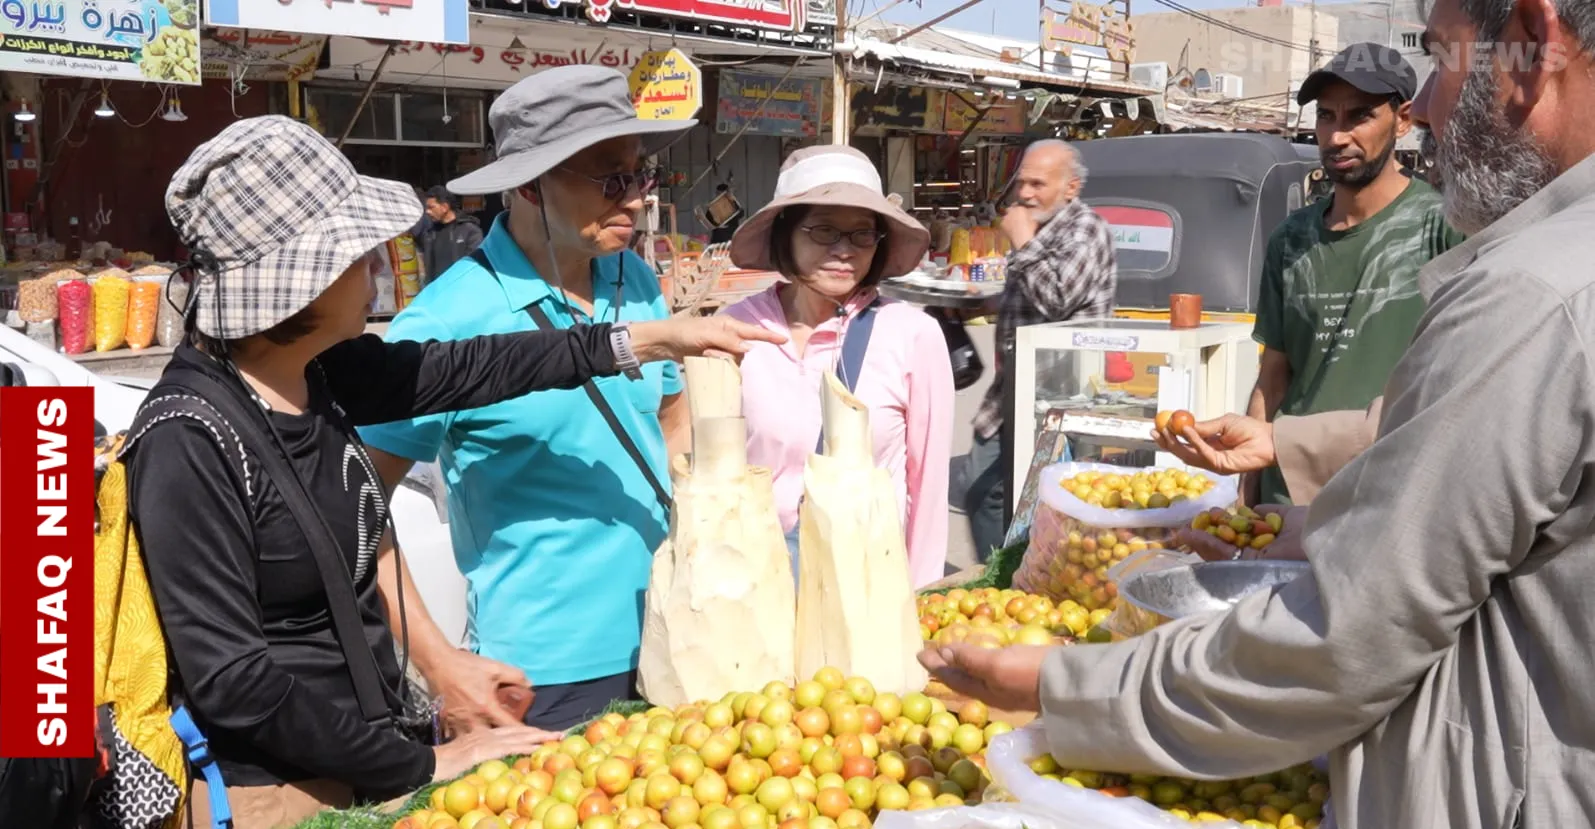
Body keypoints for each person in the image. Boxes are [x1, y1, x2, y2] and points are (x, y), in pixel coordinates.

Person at [921, 0, 1595, 821]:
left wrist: (1063, 687)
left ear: (1532, 46)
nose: (1427, 107)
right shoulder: (1309, 240)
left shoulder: (1529, 290)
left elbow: (1347, 635)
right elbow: (1500, 490)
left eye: (1441, 60)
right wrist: (1311, 502)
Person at [126, 116, 778, 829]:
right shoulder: (189, 435)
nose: (379, 262)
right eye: (355, 251)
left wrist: (645, 338)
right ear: (299, 282)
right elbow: (236, 682)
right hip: (282, 795)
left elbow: (473, 366)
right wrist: (421, 765)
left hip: (363, 762)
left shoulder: (323, 373)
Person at [358, 65, 711, 734]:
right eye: (611, 179)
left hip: (678, 631)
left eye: (639, 176)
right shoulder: (446, 322)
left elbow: (671, 416)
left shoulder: (632, 277)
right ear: (526, 182)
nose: (634, 200)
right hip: (543, 674)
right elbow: (353, 504)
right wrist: (438, 664)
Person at [721, 145, 953, 588]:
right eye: (824, 231)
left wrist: (921, 600)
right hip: (753, 586)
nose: (844, 251)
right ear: (786, 234)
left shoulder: (911, 335)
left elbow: (927, 490)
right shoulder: (735, 330)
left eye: (862, 234)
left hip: (866, 590)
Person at [1247, 43, 1463, 505]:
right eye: (1326, 116)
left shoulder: (1443, 226)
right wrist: (1246, 498)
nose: (1337, 136)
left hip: (1385, 493)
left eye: (1359, 116)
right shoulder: (1291, 239)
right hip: (1288, 495)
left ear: (1403, 119)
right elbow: (1272, 377)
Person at [960, 139, 1117, 560]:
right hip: (1011, 392)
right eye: (1021, 182)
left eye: (1037, 184)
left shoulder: (1087, 231)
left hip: (1059, 396)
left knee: (1046, 506)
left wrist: (1023, 243)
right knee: (982, 490)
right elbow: (1028, 300)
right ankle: (1001, 580)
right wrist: (973, 303)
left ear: (1071, 188)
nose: (1025, 194)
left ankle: (1025, 583)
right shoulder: (1041, 230)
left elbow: (1059, 299)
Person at [419, 185, 484, 285]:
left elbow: (474, 265)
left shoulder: (469, 231)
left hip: (461, 288)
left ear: (445, 207)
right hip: (437, 290)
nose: (427, 212)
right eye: (426, 208)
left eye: (431, 207)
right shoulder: (430, 233)